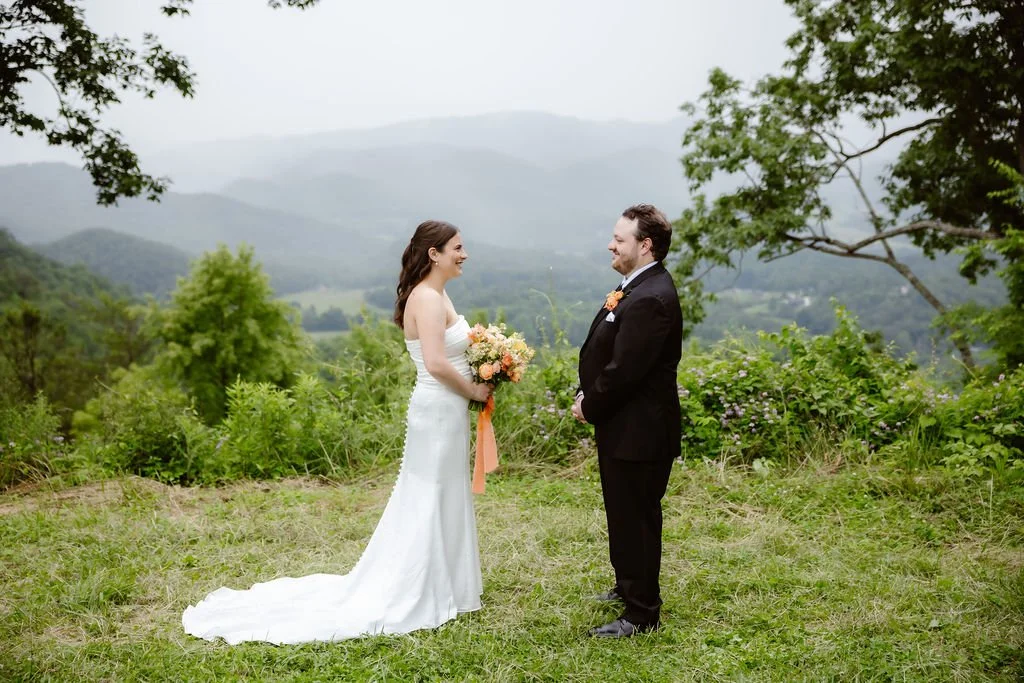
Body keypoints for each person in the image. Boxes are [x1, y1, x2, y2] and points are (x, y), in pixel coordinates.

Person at [182, 220, 492, 644]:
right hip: (437, 409)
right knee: (429, 494)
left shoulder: (438, 293)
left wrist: (494, 357)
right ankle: (421, 587)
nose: (465, 253)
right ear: (434, 253)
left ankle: (450, 586)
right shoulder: (427, 298)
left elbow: (460, 344)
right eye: (458, 247)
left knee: (442, 491)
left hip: (445, 411)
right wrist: (475, 387)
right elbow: (437, 364)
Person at [572, 204, 683, 638]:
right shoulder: (636, 286)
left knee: (636, 517)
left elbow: (625, 371)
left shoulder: (653, 297)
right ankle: (627, 585)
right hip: (623, 425)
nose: (611, 244)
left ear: (645, 245)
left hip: (641, 430)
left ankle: (641, 614)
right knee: (622, 513)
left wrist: (590, 404)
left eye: (620, 239)